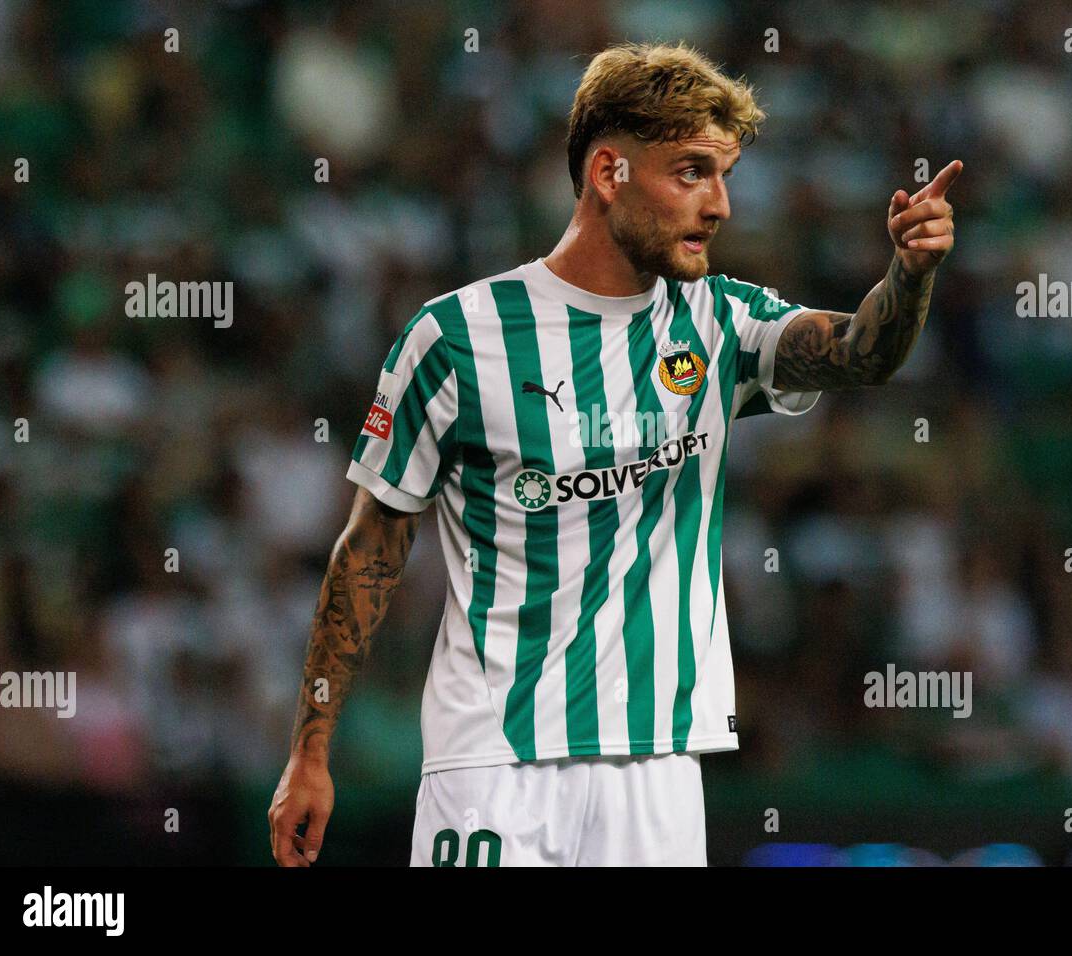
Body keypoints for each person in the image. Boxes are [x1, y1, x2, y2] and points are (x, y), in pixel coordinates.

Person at [268, 40, 959, 867]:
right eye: (692, 172)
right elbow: (369, 547)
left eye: (725, 175)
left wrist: (910, 274)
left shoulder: (719, 322)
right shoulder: (454, 338)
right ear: (609, 173)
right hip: (494, 761)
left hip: (659, 765)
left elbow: (860, 353)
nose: (720, 206)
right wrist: (310, 750)